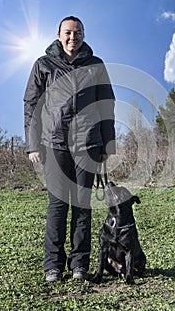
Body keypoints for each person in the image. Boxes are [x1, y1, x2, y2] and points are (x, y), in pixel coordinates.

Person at [23, 16, 115, 282]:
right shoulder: (44, 64)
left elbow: (106, 103)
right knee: (58, 204)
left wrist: (107, 143)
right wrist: (33, 144)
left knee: (82, 205)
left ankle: (79, 265)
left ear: (83, 35)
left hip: (88, 143)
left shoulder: (95, 65)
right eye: (68, 32)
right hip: (54, 144)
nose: (72, 37)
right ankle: (53, 265)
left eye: (78, 33)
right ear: (59, 35)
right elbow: (31, 105)